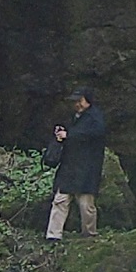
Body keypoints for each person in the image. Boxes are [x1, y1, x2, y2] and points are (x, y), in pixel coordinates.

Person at [45, 89, 107, 240]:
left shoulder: (95, 118)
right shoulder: (75, 118)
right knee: (60, 200)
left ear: (88, 100)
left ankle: (89, 233)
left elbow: (96, 132)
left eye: (81, 100)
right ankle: (53, 235)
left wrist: (69, 135)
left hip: (87, 168)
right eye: (75, 101)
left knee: (86, 204)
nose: (77, 104)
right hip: (69, 166)